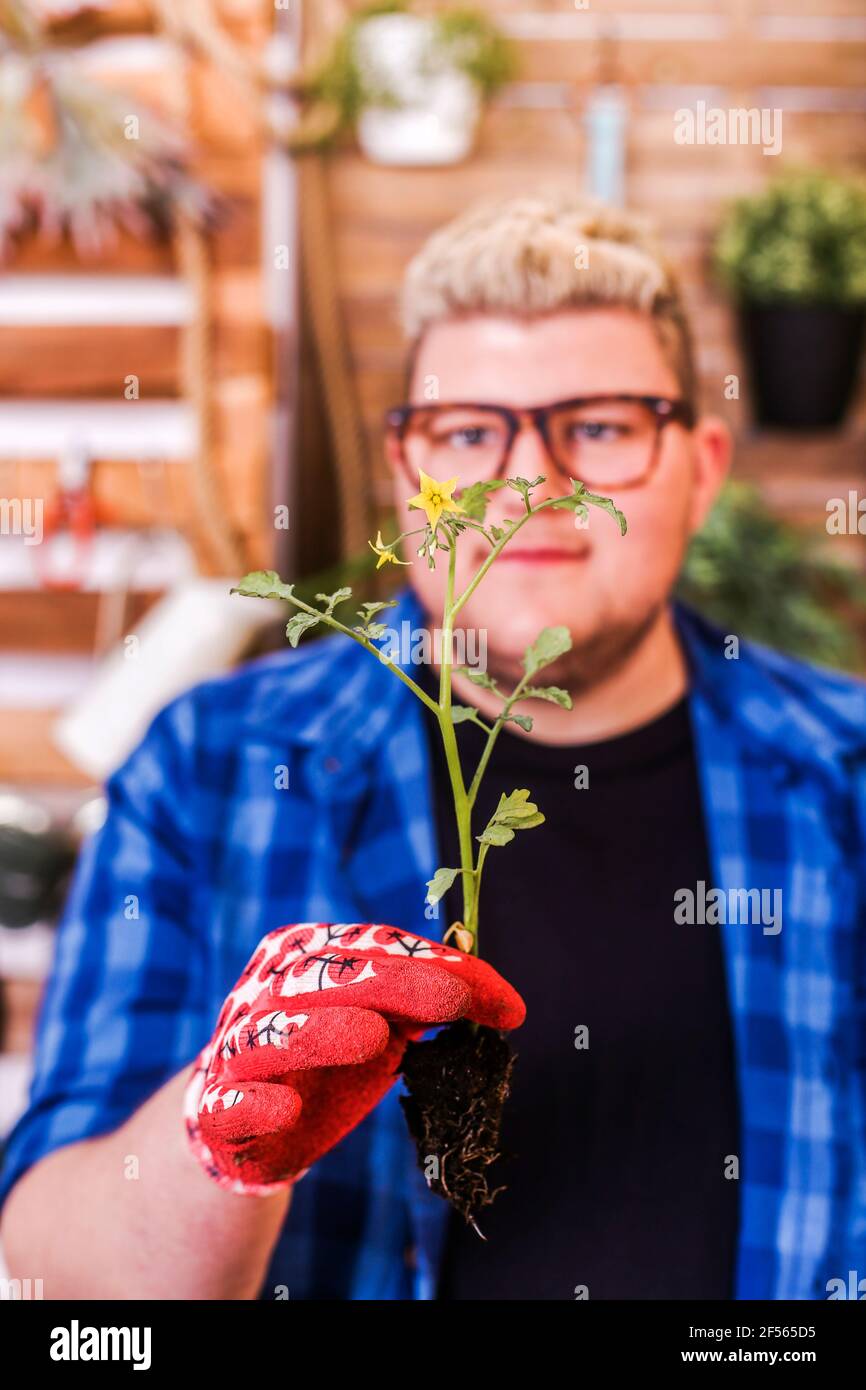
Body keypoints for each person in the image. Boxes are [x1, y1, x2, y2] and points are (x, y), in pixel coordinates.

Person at [2, 192, 865, 1301]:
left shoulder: (843, 775)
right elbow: (53, 1259)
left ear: (698, 468)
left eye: (597, 427)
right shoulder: (211, 765)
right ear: (402, 474)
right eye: (467, 433)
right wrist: (219, 1138)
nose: (530, 485)